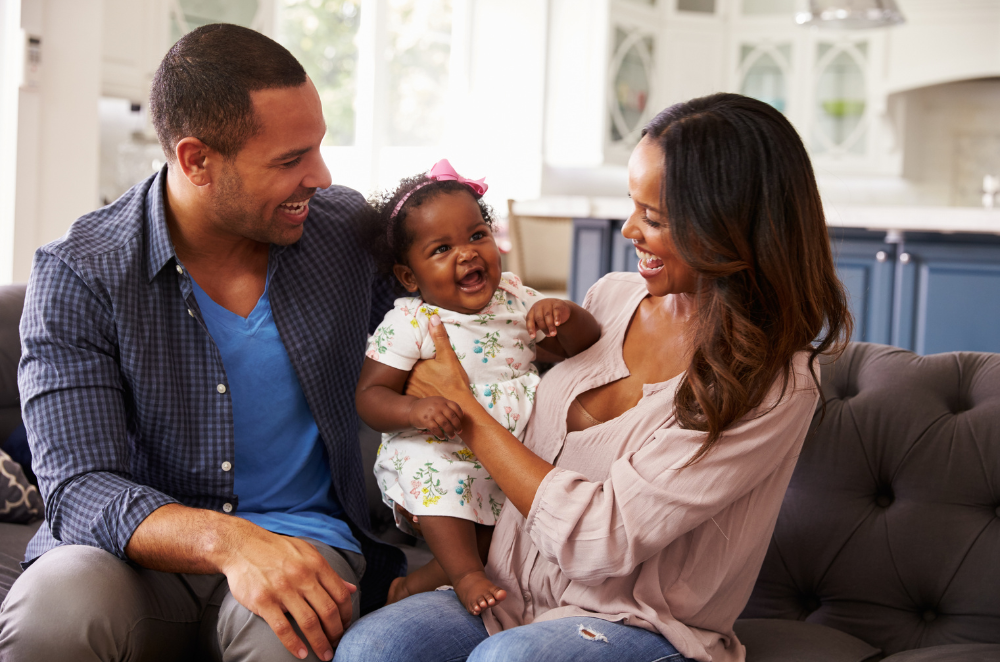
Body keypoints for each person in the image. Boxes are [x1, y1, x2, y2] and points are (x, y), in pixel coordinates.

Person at [334, 93, 853, 662]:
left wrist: (466, 413)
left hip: (639, 624)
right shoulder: (612, 296)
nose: (630, 228)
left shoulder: (772, 385)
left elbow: (601, 538)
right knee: (372, 648)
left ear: (730, 226)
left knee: (509, 661)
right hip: (512, 589)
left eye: (654, 217)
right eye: (633, 205)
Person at [0, 24, 404, 662]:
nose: (321, 177)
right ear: (196, 161)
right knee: (55, 609)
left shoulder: (343, 237)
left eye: (318, 148)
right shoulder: (81, 272)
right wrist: (230, 542)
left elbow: (442, 335)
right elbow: (78, 487)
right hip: (129, 558)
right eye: (289, 160)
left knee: (287, 635)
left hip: (305, 542)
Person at [355, 160, 601, 615]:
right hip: (440, 446)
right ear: (410, 277)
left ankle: (414, 588)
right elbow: (370, 397)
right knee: (444, 485)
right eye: (442, 248)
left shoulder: (514, 297)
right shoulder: (411, 321)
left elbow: (583, 346)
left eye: (476, 235)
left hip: (509, 447)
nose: (467, 254)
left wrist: (564, 313)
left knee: (507, 535)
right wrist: (414, 411)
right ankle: (466, 577)